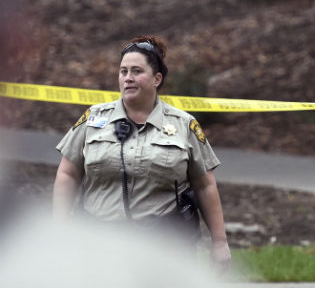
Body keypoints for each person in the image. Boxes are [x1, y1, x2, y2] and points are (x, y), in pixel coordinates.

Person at [52, 35, 231, 269]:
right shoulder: (94, 118)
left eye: (136, 71)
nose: (128, 78)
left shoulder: (183, 125)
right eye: (123, 71)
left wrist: (219, 243)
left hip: (165, 247)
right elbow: (68, 174)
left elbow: (205, 185)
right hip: (99, 246)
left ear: (157, 79)